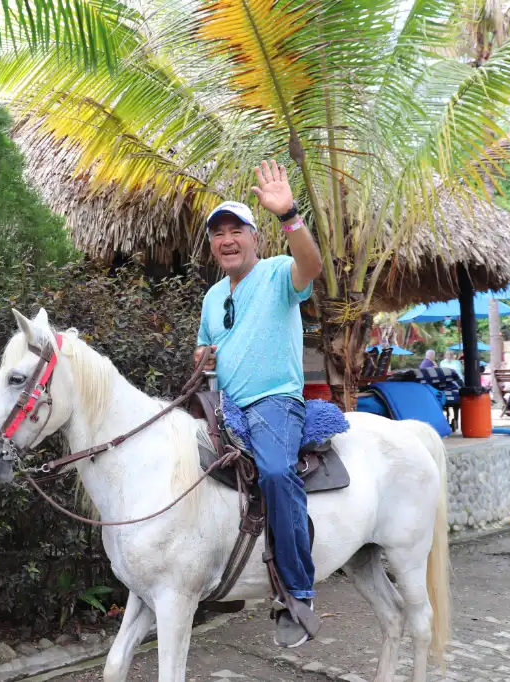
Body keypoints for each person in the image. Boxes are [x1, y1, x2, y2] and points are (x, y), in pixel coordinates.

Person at [193, 160, 322, 648]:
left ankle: (298, 592)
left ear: (255, 238)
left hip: (273, 402)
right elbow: (203, 350)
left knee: (273, 472)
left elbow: (311, 266)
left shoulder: (275, 274)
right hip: (225, 405)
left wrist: (288, 213)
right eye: (218, 233)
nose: (227, 240)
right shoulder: (211, 297)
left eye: (237, 231)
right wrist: (204, 357)